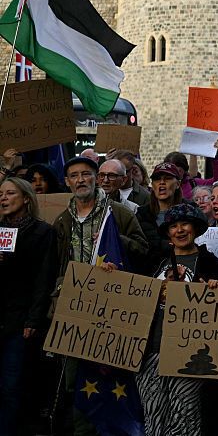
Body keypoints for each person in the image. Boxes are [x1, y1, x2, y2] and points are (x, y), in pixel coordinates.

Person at [53, 156, 148, 434]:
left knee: (114, 379)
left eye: (86, 174)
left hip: (113, 309)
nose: (81, 180)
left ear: (97, 179)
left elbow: (144, 253)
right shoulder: (61, 221)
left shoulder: (119, 214)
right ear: (67, 182)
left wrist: (117, 241)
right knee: (76, 382)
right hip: (74, 310)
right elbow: (56, 265)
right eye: (74, 176)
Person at [137, 203, 218, 436]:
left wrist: (216, 288)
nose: (179, 230)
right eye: (173, 226)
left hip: (188, 353)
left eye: (184, 224)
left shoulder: (211, 263)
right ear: (167, 232)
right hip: (151, 350)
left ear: (195, 228)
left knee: (184, 414)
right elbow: (132, 289)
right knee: (153, 411)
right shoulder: (154, 259)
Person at [0, 177, 57, 436]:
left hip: (20, 321)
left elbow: (42, 279)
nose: (3, 198)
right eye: (0, 193)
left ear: (25, 198)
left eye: (10, 193)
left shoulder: (42, 232)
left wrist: (33, 320)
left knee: (11, 386)